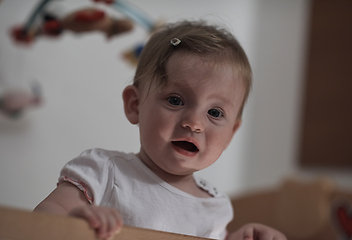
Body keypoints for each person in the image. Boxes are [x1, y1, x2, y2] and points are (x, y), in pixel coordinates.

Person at [34, 20, 286, 240]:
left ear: (231, 133)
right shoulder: (106, 171)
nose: (194, 123)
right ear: (135, 105)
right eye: (176, 100)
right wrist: (73, 223)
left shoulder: (215, 206)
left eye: (215, 113)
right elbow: (42, 219)